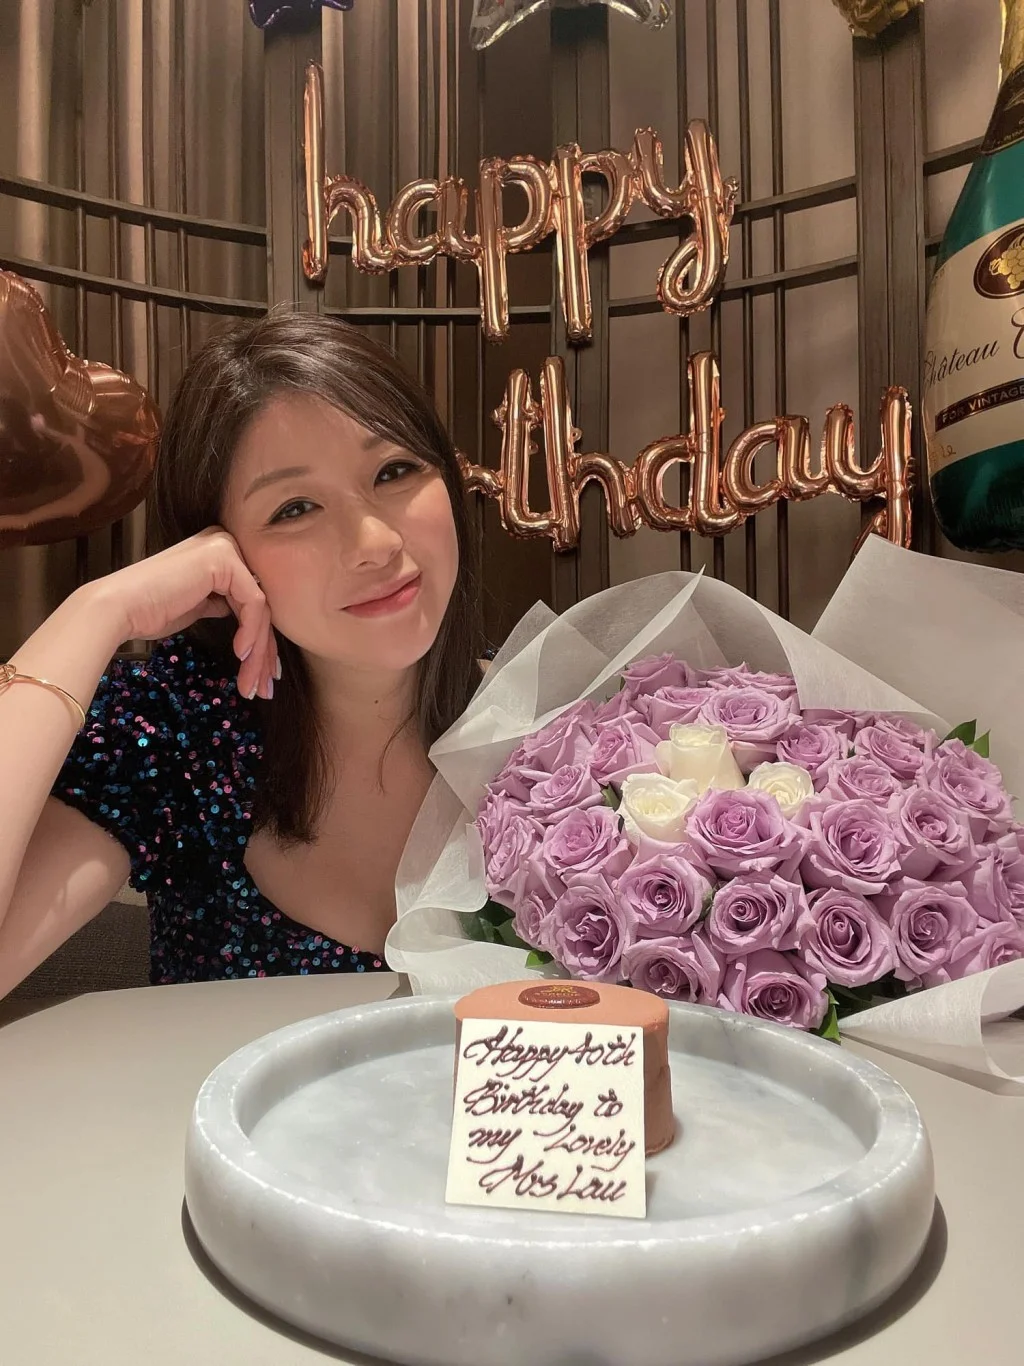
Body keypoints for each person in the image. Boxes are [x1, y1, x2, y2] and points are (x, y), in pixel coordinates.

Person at [0, 313, 484, 998]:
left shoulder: (559, 730)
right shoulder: (180, 731)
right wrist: (98, 611)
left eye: (395, 470)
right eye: (295, 508)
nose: (374, 543)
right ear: (221, 551)